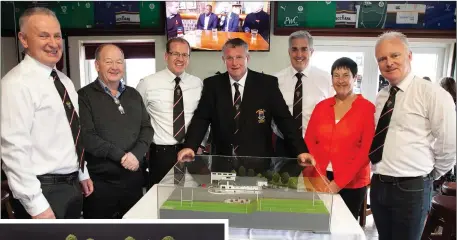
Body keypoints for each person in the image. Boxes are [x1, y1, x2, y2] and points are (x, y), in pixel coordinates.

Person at [1, 7, 93, 219]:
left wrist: (82, 172)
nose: (53, 43)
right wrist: (36, 205)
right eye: (43, 35)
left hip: (71, 186)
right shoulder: (15, 84)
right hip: (42, 190)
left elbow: (71, 133)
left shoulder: (65, 82)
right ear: (23, 40)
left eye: (57, 36)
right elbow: (14, 150)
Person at [177, 38, 315, 172]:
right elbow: (201, 119)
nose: (234, 62)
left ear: (247, 58)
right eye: (229, 58)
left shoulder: (267, 84)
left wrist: (301, 150)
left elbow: (284, 119)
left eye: (239, 57)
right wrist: (190, 146)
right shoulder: (213, 84)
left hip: (258, 163)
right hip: (222, 162)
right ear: (223, 60)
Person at [370, 31, 456, 240]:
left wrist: (428, 176)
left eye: (395, 55)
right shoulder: (382, 96)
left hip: (411, 188)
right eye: (382, 58)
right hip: (379, 183)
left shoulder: (433, 94)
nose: (388, 62)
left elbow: (449, 144)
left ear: (409, 56)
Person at [78, 44, 153, 219]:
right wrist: (121, 156)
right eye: (109, 61)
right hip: (100, 184)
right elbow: (87, 136)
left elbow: (147, 128)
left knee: (133, 232)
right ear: (97, 65)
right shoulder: (84, 96)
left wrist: (136, 154)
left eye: (119, 62)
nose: (115, 67)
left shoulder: (134, 94)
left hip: (133, 180)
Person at [305, 57, 375, 218]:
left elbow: (366, 151)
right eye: (336, 75)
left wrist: (338, 183)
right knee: (318, 224)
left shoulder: (367, 109)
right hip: (320, 178)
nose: (341, 80)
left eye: (346, 75)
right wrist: (317, 176)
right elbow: (309, 141)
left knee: (344, 227)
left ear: (355, 78)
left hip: (352, 182)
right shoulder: (321, 107)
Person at [136, 37, 206, 187]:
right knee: (161, 199)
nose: (180, 59)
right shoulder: (147, 83)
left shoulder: (197, 84)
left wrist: (202, 144)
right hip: (161, 154)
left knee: (190, 198)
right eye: (175, 54)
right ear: (166, 56)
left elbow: (204, 118)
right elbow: (137, 119)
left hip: (190, 152)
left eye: (184, 55)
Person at [273, 31, 333, 164]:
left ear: (311, 51)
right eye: (294, 49)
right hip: (283, 146)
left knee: (313, 185)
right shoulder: (275, 80)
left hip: (316, 146)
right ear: (289, 52)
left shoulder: (327, 80)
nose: (299, 55)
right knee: (281, 184)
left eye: (304, 49)